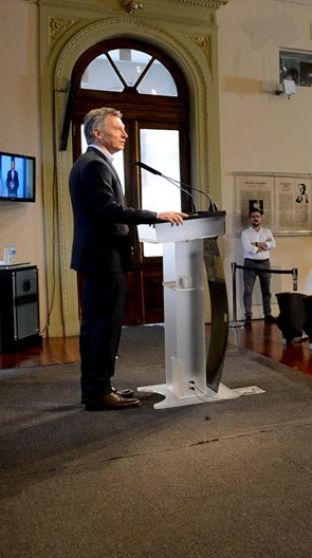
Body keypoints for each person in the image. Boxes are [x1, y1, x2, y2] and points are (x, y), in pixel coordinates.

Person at [69, 107, 185, 410]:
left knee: (97, 327)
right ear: (97, 133)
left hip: (99, 258)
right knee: (103, 328)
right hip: (104, 259)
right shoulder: (94, 165)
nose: (124, 133)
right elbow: (108, 211)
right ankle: (98, 392)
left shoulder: (92, 163)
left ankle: (98, 387)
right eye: (118, 128)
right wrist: (155, 215)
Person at [241, 208, 277, 325]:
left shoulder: (267, 232)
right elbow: (248, 249)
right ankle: (248, 315)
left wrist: (257, 244)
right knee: (248, 291)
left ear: (260, 218)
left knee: (266, 291)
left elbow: (273, 244)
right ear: (250, 218)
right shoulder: (245, 233)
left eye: (257, 216)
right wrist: (264, 246)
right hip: (250, 264)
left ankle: (267, 314)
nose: (255, 218)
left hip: (265, 263)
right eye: (253, 216)